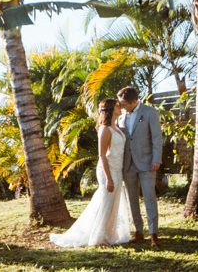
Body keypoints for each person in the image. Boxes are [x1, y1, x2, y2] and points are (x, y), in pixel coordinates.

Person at [50, 98, 131, 248]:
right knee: (104, 202)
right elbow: (102, 155)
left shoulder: (117, 126)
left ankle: (108, 234)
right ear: (111, 109)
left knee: (113, 203)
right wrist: (108, 178)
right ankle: (98, 237)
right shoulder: (105, 130)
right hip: (108, 170)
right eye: (117, 105)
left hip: (118, 170)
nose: (120, 107)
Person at [117, 86, 162, 247]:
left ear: (134, 101)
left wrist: (156, 159)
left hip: (147, 163)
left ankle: (153, 234)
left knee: (149, 197)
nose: (122, 106)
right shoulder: (120, 115)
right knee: (131, 199)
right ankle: (138, 231)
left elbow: (157, 137)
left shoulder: (150, 112)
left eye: (124, 104)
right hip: (127, 164)